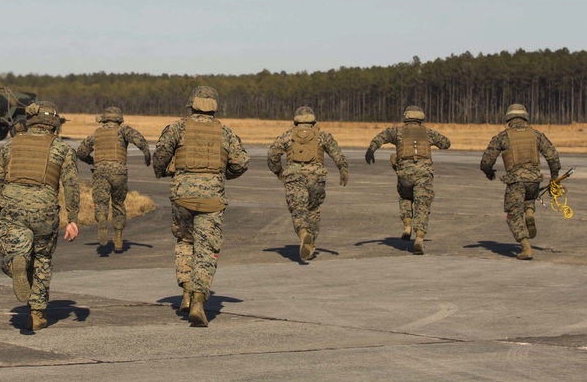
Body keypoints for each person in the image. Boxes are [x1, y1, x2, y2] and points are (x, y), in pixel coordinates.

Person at [153, 86, 249, 327]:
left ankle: (186, 289)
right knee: (207, 249)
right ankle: (198, 300)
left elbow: (161, 155)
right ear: (215, 107)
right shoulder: (225, 132)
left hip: (182, 196)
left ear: (191, 105)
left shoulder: (177, 127)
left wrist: (163, 172)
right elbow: (241, 163)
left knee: (185, 241)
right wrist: (221, 175)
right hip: (212, 199)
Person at [0, 101, 80, 331]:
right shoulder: (62, 149)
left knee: (12, 249)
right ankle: (37, 313)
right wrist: (73, 219)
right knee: (42, 259)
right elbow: (71, 185)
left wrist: (2, 203)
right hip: (45, 211)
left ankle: (15, 263)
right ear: (54, 124)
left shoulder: (10, 145)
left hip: (14, 206)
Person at [479, 103, 561, 260]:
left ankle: (526, 247)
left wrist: (490, 173)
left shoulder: (503, 137)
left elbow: (486, 162)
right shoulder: (536, 135)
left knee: (513, 215)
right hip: (534, 180)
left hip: (516, 181)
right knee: (529, 198)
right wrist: (554, 177)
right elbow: (553, 157)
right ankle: (529, 212)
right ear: (525, 118)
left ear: (508, 118)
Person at [365, 105, 451, 255]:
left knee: (405, 197)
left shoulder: (398, 131)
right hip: (424, 173)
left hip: (405, 173)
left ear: (406, 117)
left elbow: (381, 136)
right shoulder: (428, 132)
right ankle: (419, 237)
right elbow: (446, 143)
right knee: (422, 204)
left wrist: (371, 149)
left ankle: (407, 226)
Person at [267, 106, 349, 261]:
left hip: (295, 177)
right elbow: (336, 152)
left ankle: (303, 234)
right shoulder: (322, 136)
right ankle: (311, 246)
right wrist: (343, 169)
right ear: (313, 120)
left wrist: (278, 171)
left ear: (295, 121)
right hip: (317, 178)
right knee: (313, 210)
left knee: (298, 209)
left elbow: (272, 154)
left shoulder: (287, 136)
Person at [76, 106, 151, 252]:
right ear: (119, 119)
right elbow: (139, 140)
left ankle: (102, 218)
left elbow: (80, 152)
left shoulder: (96, 134)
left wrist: (92, 161)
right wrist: (146, 153)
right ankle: (118, 238)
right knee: (118, 204)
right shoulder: (123, 130)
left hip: (100, 172)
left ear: (104, 119)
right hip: (119, 173)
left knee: (101, 202)